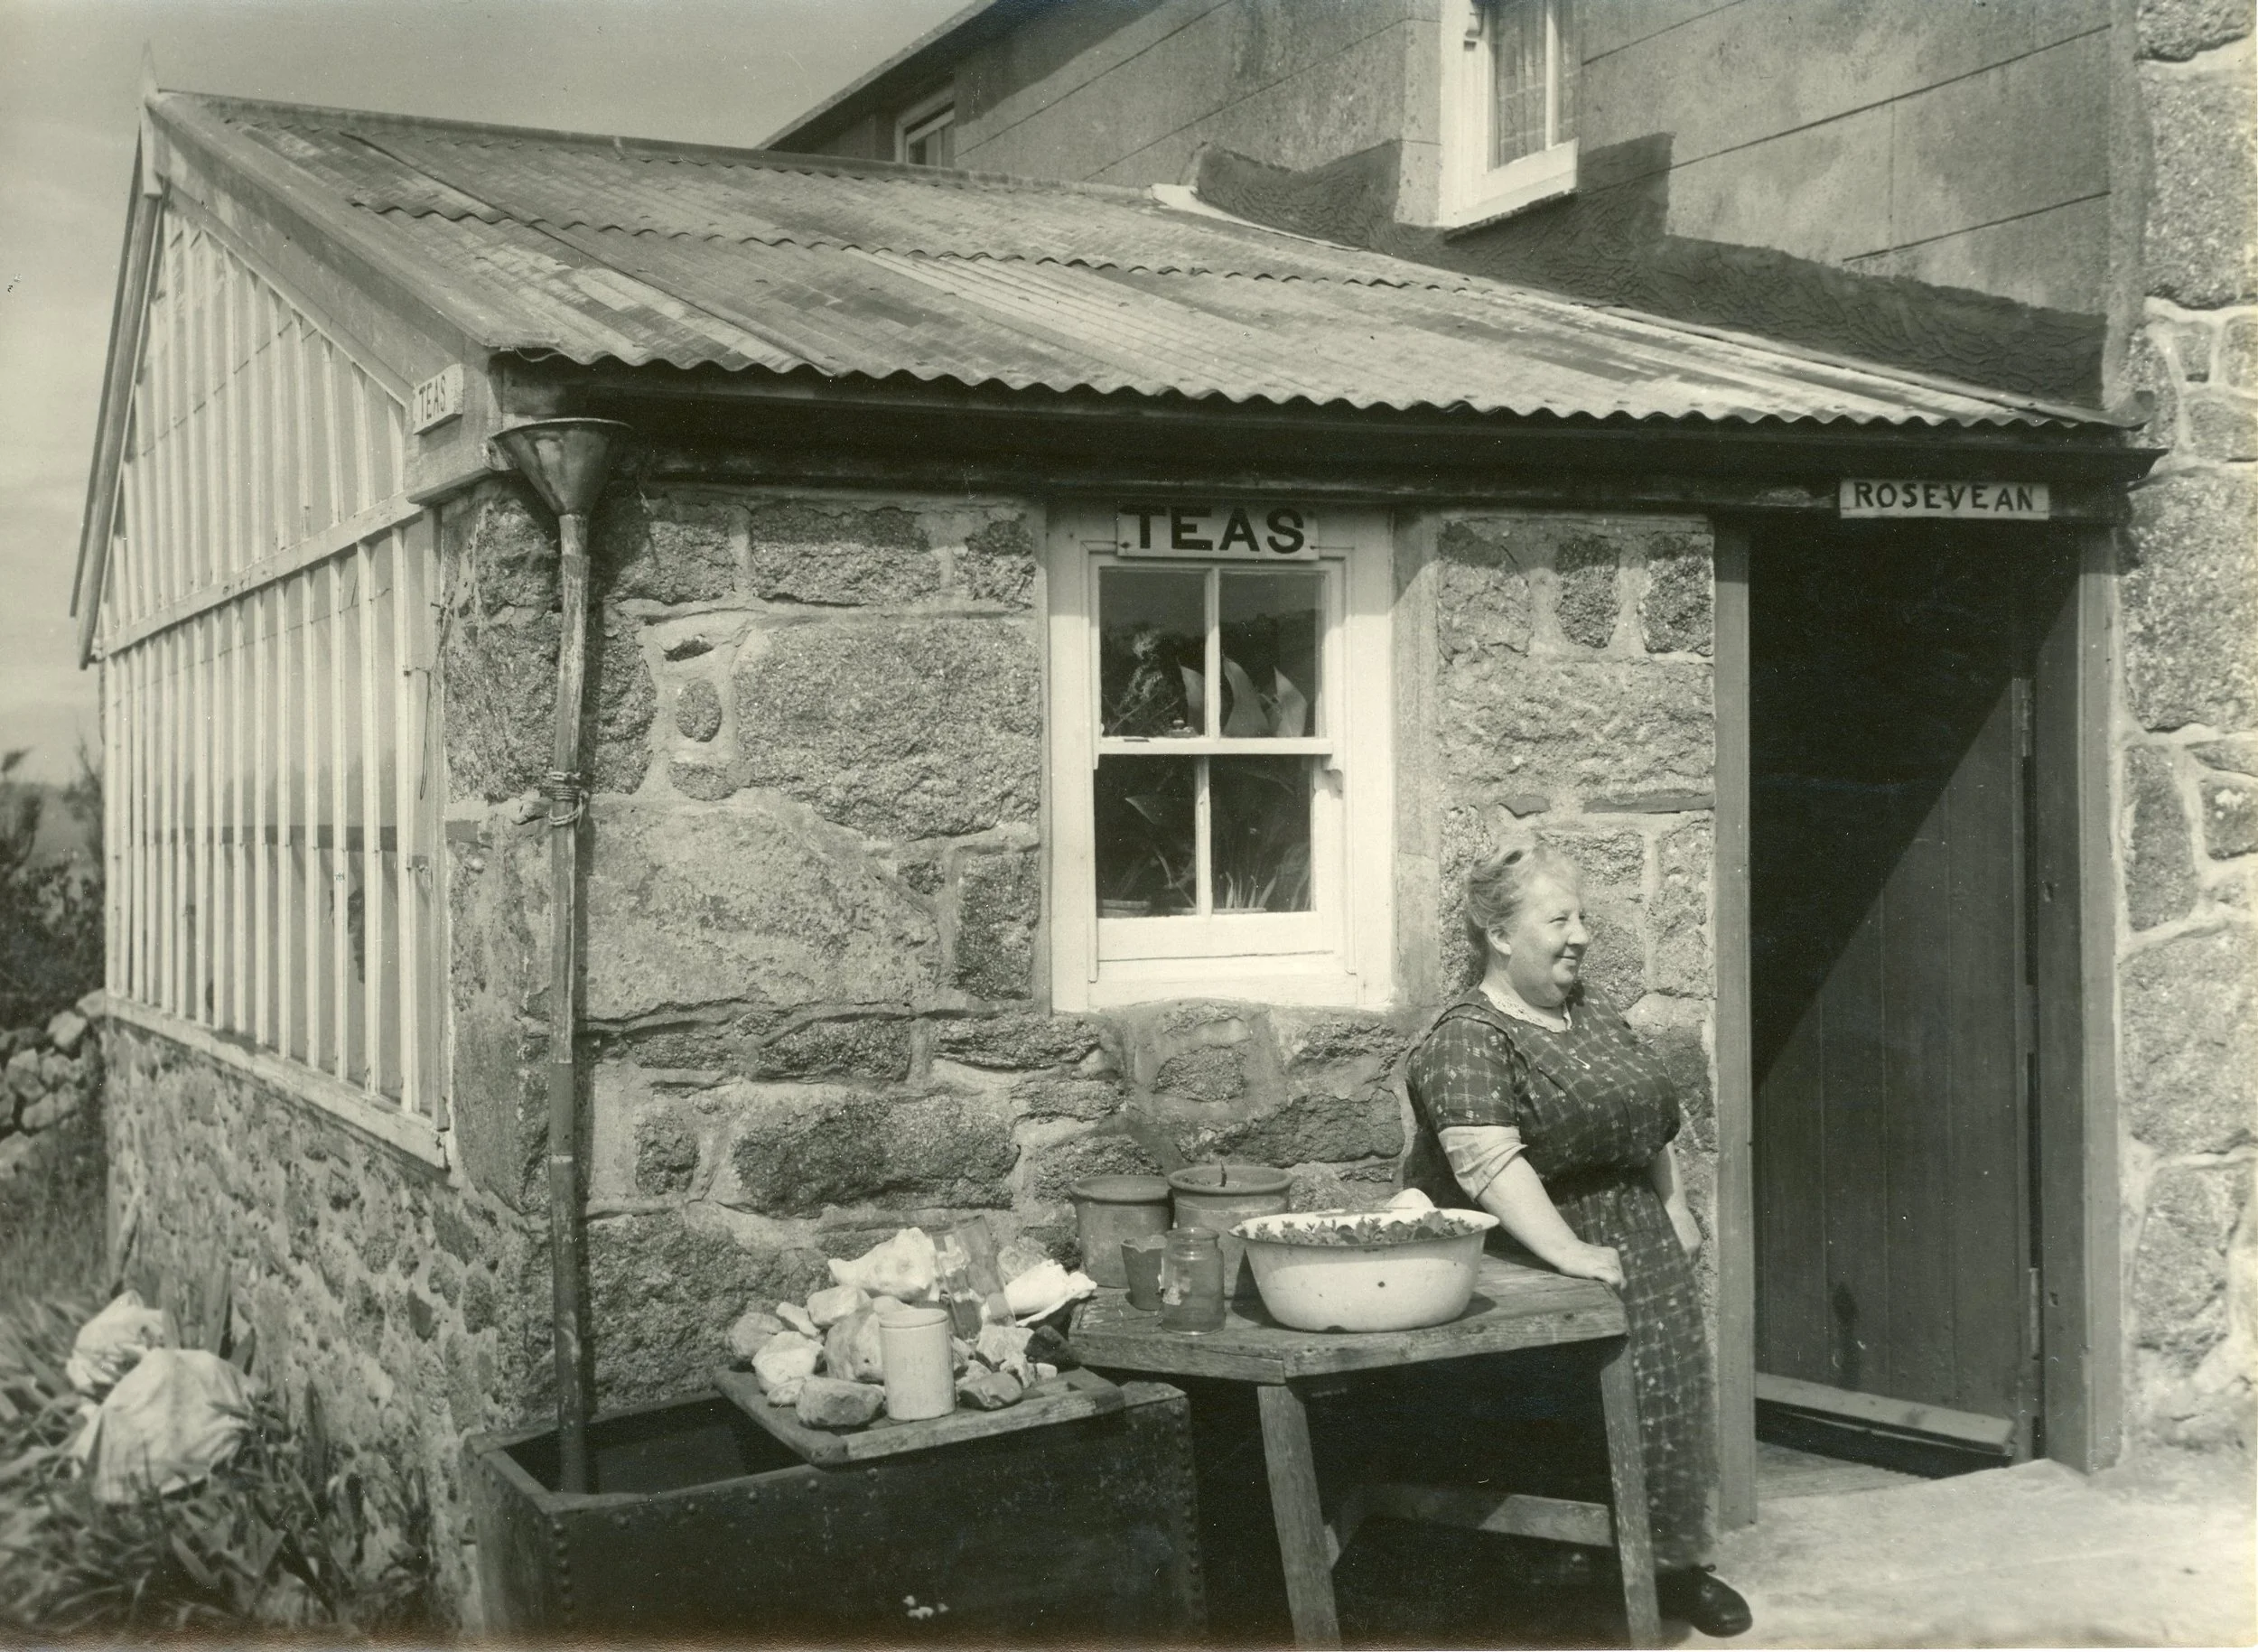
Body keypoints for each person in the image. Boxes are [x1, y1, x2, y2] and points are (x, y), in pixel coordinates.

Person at [1404, 837, 1752, 1638]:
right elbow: (1489, 1161)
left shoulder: (1589, 1010)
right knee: (1569, 1423)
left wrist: (1673, 1205)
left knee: (1664, 1408)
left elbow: (1649, 1109)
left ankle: (1674, 1571)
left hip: (1636, 1238)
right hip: (1537, 1256)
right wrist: (1569, 1253)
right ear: (1498, 933)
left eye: (1583, 916)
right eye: (1558, 918)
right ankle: (1563, 1581)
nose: (1580, 935)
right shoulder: (1471, 1034)